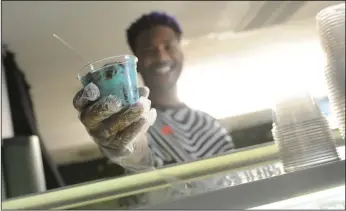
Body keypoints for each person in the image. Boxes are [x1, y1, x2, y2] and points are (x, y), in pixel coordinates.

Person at [73, 12, 235, 174]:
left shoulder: (208, 124)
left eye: (168, 46)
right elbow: (140, 167)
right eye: (149, 50)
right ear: (137, 62)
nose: (161, 56)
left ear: (181, 53)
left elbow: (236, 179)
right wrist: (129, 150)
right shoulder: (130, 120)